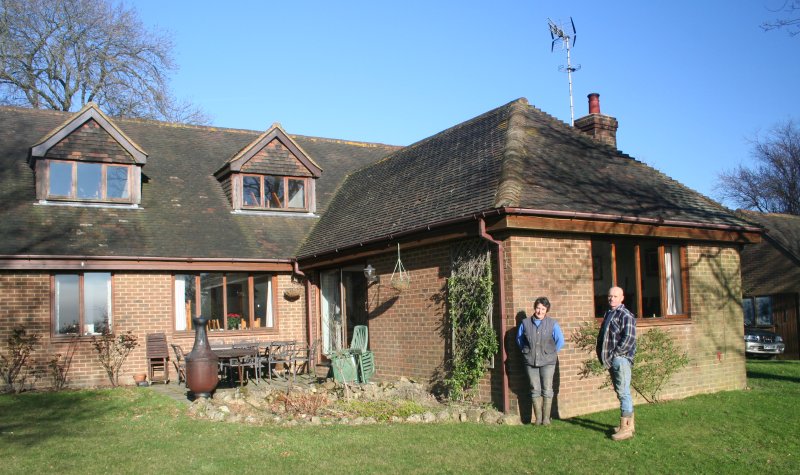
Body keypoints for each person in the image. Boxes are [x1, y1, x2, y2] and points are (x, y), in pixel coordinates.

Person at [596, 286, 637, 441]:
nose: (611, 299)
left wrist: (615, 355)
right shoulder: (609, 313)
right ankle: (629, 424)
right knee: (621, 392)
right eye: (609, 296)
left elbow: (629, 339)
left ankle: (625, 429)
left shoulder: (626, 315)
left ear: (622, 298)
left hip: (621, 360)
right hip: (612, 360)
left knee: (623, 392)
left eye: (615, 296)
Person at [516, 296, 564, 425]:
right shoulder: (525, 323)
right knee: (534, 388)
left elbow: (560, 340)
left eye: (543, 309)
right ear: (534, 308)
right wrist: (526, 351)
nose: (540, 311)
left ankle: (546, 419)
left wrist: (550, 353)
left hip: (548, 362)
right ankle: (538, 419)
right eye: (538, 308)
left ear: (547, 310)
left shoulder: (552, 323)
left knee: (547, 388)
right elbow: (519, 340)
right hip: (530, 361)